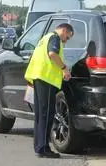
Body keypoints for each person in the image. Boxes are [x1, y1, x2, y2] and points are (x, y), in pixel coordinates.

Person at [24, 23, 74, 158]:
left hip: (38, 78)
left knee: (40, 115)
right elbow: (52, 54)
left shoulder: (44, 38)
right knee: (46, 115)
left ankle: (39, 147)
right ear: (64, 30)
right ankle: (44, 148)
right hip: (46, 79)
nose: (66, 40)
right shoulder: (55, 38)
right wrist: (64, 68)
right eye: (67, 37)